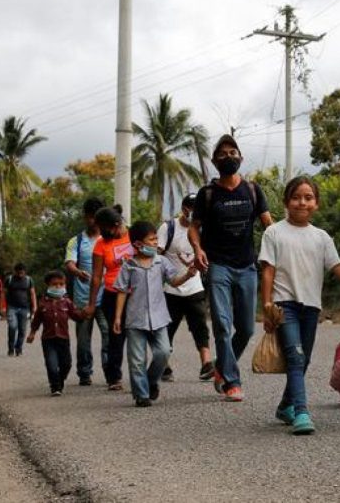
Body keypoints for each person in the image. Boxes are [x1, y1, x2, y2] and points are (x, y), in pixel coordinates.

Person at [260, 176, 340, 435]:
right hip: (284, 305)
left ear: (316, 204)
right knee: (296, 359)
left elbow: (336, 266)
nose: (302, 202)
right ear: (286, 201)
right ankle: (301, 412)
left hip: (311, 307)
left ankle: (285, 406)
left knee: (303, 359)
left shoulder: (321, 237)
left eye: (308, 198)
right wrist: (266, 305)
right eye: (297, 197)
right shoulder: (273, 232)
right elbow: (267, 271)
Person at [189, 134, 273, 402]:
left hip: (247, 266)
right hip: (219, 267)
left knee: (246, 329)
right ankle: (232, 382)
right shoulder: (208, 194)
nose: (229, 157)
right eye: (223, 154)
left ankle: (222, 368)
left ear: (241, 157)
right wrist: (198, 249)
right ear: (215, 161)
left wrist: (284, 247)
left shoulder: (252, 190)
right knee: (223, 326)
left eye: (233, 152)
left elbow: (268, 225)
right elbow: (194, 227)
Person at [113, 222, 199, 407]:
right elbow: (121, 291)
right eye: (151, 240)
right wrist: (118, 317)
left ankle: (151, 381)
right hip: (135, 319)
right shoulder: (128, 265)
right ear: (137, 244)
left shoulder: (161, 262)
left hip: (159, 318)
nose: (155, 243)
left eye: (155, 239)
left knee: (163, 352)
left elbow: (174, 281)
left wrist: (188, 275)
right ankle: (141, 395)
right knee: (136, 360)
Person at [157, 193, 214, 382]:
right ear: (184, 209)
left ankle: (206, 363)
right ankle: (164, 364)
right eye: (191, 208)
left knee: (200, 326)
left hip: (194, 287)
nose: (193, 212)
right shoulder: (168, 228)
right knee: (168, 327)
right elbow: (157, 255)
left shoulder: (202, 229)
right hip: (171, 288)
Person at [85, 205, 134, 391]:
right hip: (112, 295)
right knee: (116, 336)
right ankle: (114, 377)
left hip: (135, 294)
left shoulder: (133, 236)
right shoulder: (101, 244)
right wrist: (91, 304)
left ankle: (157, 368)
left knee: (141, 333)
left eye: (103, 229)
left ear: (116, 224)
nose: (101, 233)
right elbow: (96, 276)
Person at [65, 197, 110, 386]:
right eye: (89, 217)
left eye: (95, 218)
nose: (92, 221)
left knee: (108, 334)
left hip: (106, 296)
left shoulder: (108, 239)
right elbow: (69, 263)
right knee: (83, 339)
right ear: (85, 217)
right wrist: (77, 272)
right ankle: (85, 372)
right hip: (83, 298)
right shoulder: (76, 241)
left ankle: (110, 372)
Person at [27, 270, 84, 396]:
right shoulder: (43, 303)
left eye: (61, 284)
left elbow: (76, 315)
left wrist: (85, 313)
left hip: (63, 339)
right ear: (48, 286)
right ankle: (55, 386)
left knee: (66, 364)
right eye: (54, 284)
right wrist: (32, 333)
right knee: (51, 364)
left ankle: (60, 380)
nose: (58, 287)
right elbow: (36, 320)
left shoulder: (67, 302)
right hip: (49, 340)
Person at [4, 263, 37, 357]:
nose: (20, 274)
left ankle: (18, 349)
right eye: (18, 272)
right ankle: (10, 348)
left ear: (25, 272)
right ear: (15, 271)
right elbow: (3, 293)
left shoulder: (28, 280)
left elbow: (32, 293)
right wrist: (2, 307)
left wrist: (34, 306)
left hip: (24, 308)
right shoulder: (9, 279)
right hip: (12, 307)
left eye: (22, 272)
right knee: (12, 327)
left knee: (22, 330)